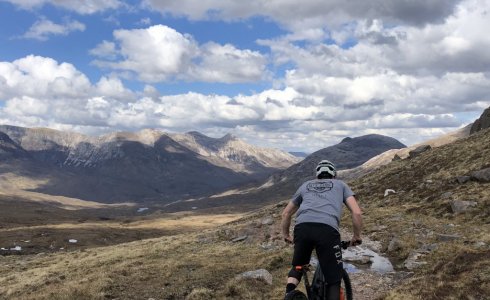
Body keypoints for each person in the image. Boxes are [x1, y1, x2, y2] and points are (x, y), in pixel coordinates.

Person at [281, 159, 363, 299]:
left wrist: (286, 235)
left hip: (302, 228)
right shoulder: (341, 185)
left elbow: (286, 213)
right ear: (334, 175)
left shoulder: (305, 185)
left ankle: (288, 294)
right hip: (327, 231)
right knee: (333, 279)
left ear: (317, 175)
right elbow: (356, 212)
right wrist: (356, 236)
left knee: (298, 266)